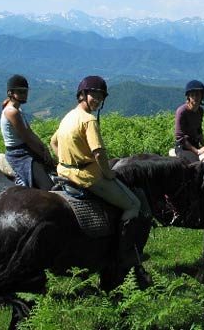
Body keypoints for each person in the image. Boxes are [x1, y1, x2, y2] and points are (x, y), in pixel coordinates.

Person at [50, 76, 142, 266]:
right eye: (94, 95)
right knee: (134, 205)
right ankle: (122, 254)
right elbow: (99, 153)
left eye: (100, 96)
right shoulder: (89, 120)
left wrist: (65, 161)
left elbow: (53, 142)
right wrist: (108, 173)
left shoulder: (69, 115)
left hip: (64, 173)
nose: (98, 99)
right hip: (86, 177)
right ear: (82, 95)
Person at [0, 74, 55, 190]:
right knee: (48, 187)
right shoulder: (11, 112)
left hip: (25, 149)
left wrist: (44, 148)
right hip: (19, 154)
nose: (24, 95)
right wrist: (42, 155)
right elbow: (26, 138)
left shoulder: (17, 109)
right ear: (10, 93)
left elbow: (30, 132)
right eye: (20, 92)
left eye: (25, 92)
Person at [174, 80, 204, 163]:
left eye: (197, 94)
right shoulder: (181, 111)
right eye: (192, 95)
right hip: (183, 147)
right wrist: (197, 151)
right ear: (188, 97)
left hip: (195, 144)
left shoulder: (200, 111)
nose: (195, 97)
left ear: (202, 96)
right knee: (196, 165)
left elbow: (199, 130)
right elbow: (179, 137)